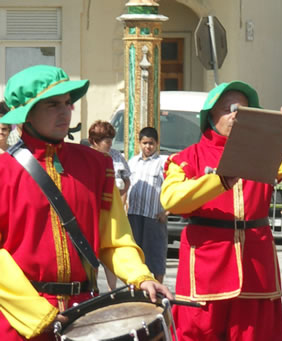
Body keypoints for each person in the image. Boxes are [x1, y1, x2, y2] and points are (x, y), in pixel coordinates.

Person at [0, 65, 172, 341]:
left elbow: (115, 239)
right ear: (26, 115)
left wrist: (142, 276)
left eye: (68, 103)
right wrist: (34, 311)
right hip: (19, 320)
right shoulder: (3, 171)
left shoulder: (97, 165)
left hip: (87, 313)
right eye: (53, 104)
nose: (65, 111)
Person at [160, 81, 282, 340]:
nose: (236, 115)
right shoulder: (188, 157)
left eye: (242, 111)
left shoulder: (263, 153)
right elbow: (172, 200)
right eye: (228, 109)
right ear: (210, 116)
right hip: (205, 269)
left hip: (256, 265)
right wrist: (218, 181)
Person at [88, 120, 132, 291]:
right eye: (106, 141)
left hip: (113, 210)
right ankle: (92, 288)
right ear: (94, 141)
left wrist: (121, 202)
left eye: (111, 140)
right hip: (93, 212)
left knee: (111, 249)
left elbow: (127, 180)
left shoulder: (116, 156)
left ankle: (112, 290)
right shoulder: (87, 157)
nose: (110, 144)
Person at [127, 127, 168, 284]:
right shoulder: (132, 162)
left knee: (156, 254)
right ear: (139, 143)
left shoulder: (162, 163)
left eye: (151, 143)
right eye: (145, 143)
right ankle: (136, 287)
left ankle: (158, 288)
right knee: (135, 254)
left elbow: (172, 188)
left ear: (156, 144)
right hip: (134, 214)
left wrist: (167, 212)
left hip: (154, 216)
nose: (148, 147)